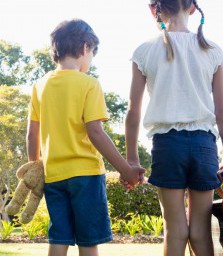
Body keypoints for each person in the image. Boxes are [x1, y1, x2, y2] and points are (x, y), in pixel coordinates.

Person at [26, 19, 146, 256]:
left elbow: (32, 134)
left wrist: (35, 166)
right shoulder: (89, 84)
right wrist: (125, 169)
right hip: (86, 176)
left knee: (58, 237)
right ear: (85, 47)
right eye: (92, 53)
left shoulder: (40, 85)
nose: (90, 60)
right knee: (88, 241)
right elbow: (95, 133)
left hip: (54, 176)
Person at [124, 0, 223, 255]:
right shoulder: (213, 51)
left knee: (174, 230)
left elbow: (133, 111)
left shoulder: (143, 52)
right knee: (200, 231)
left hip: (166, 146)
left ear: (154, 9)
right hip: (204, 146)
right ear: (192, 8)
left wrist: (132, 159)